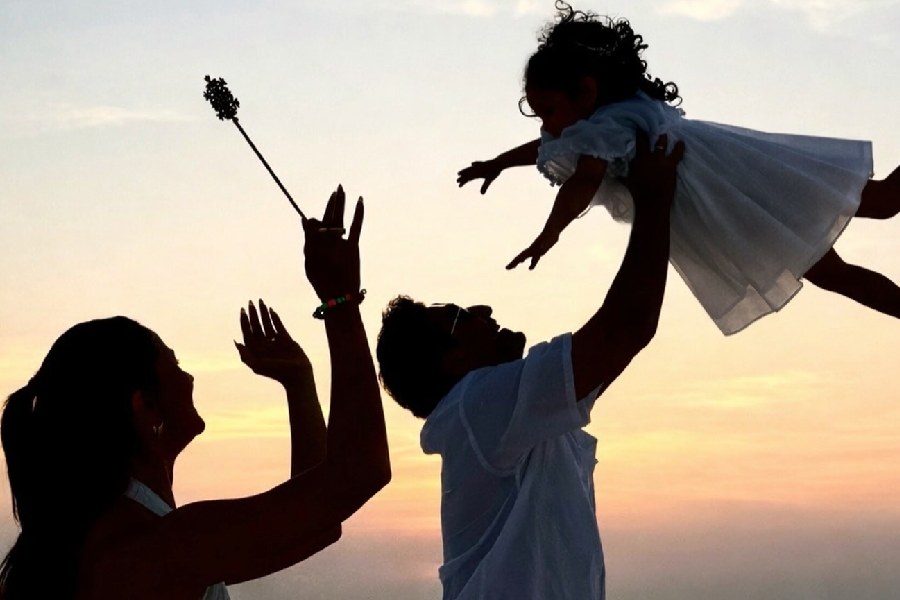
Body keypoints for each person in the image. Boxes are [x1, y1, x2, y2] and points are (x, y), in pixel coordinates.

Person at [0, 187, 390, 599]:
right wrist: (340, 300)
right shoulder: (153, 546)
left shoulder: (126, 533)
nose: (190, 379)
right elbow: (358, 473)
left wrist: (299, 383)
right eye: (175, 364)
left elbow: (315, 525)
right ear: (145, 406)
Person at [457, 1, 900, 335]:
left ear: (587, 90)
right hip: (733, 197)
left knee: (866, 223)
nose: (545, 124)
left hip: (735, 191)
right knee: (859, 233)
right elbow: (547, 145)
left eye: (548, 110)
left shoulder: (609, 125)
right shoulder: (609, 116)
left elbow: (584, 180)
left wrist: (549, 233)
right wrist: (498, 163)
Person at [377, 134, 683, 599]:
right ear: (454, 361)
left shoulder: (496, 416)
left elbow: (625, 334)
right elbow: (628, 326)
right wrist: (656, 197)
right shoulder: (477, 404)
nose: (481, 308)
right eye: (462, 315)